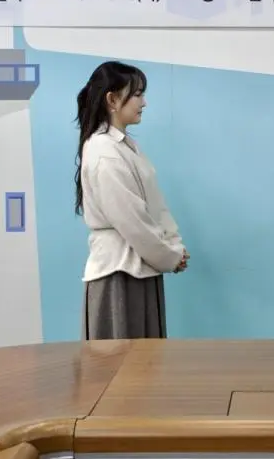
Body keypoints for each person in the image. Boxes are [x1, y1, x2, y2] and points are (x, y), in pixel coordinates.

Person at [74, 60, 189, 340]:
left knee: (143, 361)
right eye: (137, 94)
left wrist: (173, 247)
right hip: (119, 274)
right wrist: (169, 256)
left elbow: (154, 207)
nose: (144, 102)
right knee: (120, 362)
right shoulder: (104, 151)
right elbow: (132, 220)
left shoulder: (124, 146)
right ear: (112, 99)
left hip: (138, 268)